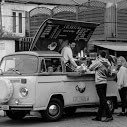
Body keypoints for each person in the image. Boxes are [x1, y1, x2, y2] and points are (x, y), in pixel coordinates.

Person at [89, 50, 113, 122]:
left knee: (103, 100)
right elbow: (110, 73)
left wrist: (96, 60)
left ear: (99, 55)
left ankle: (109, 116)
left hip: (99, 83)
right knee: (102, 100)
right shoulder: (108, 62)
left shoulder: (99, 62)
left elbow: (90, 68)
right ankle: (98, 116)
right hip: (104, 82)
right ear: (105, 56)